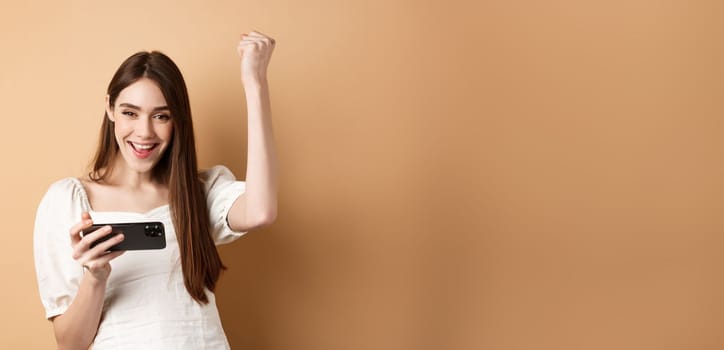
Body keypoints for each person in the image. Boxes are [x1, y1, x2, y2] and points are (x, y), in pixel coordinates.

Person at [33, 31, 277, 349]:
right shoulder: (67, 201)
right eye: (130, 113)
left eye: (161, 116)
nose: (144, 132)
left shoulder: (199, 193)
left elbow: (260, 211)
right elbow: (71, 344)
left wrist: (255, 83)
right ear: (109, 109)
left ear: (178, 121)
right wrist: (95, 275)